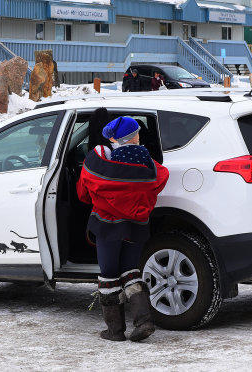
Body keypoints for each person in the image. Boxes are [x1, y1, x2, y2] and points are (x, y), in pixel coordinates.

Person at [77, 116, 169, 342]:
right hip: (137, 226)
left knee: (109, 275)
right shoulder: (149, 164)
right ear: (135, 136)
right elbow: (161, 178)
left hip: (108, 226)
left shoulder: (101, 161)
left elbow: (83, 193)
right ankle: (144, 321)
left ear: (114, 138)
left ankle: (115, 330)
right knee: (130, 271)